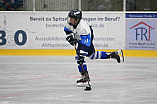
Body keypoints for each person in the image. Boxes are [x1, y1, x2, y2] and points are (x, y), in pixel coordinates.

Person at [64, 9, 123, 87]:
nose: (69, 19)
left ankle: (85, 77)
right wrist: (69, 38)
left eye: (71, 18)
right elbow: (67, 30)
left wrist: (81, 55)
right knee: (92, 55)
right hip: (80, 35)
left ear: (77, 20)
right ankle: (112, 55)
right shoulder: (69, 24)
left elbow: (85, 45)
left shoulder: (83, 28)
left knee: (79, 57)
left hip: (86, 36)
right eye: (69, 17)